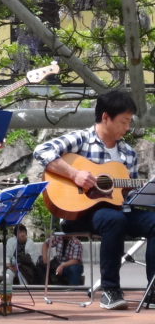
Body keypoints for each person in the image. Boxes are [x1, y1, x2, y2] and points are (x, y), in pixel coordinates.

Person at [34, 89, 155, 310]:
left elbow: (129, 195)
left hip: (118, 210)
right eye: (124, 121)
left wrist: (141, 192)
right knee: (113, 219)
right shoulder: (82, 139)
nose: (127, 128)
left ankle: (153, 291)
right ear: (106, 117)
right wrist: (75, 174)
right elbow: (42, 151)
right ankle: (110, 290)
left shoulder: (128, 153)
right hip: (78, 213)